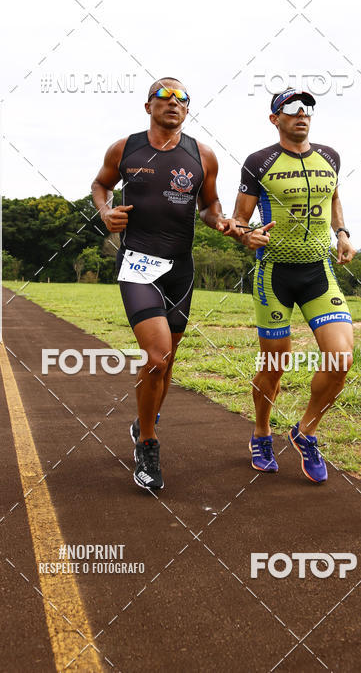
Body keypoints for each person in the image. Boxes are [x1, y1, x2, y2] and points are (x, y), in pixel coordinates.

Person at [92, 79, 229, 491]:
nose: (174, 102)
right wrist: (105, 212)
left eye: (182, 97)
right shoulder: (125, 148)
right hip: (137, 264)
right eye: (165, 95)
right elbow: (101, 186)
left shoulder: (202, 155)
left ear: (188, 109)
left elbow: (209, 205)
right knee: (156, 355)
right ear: (148, 104)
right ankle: (148, 443)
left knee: (167, 362)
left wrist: (222, 222)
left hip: (180, 270)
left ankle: (143, 421)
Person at [228, 89, 356, 482]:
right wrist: (246, 235)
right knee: (276, 364)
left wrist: (343, 232)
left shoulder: (330, 156)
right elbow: (237, 219)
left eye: (308, 108)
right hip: (273, 275)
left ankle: (306, 432)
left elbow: (334, 197)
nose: (302, 114)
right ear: (275, 118)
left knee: (341, 359)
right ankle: (262, 432)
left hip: (318, 272)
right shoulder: (258, 162)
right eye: (291, 108)